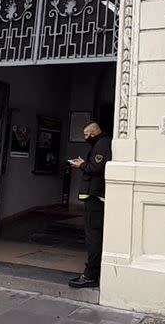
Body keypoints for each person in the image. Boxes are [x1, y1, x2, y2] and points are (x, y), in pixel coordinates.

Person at [68, 122, 111, 289]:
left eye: (87, 135)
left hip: (95, 198)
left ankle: (91, 275)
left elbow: (97, 167)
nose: (86, 138)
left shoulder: (102, 143)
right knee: (94, 235)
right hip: (94, 197)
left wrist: (82, 165)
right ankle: (92, 273)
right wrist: (85, 163)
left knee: (93, 237)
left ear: (94, 132)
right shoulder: (101, 143)